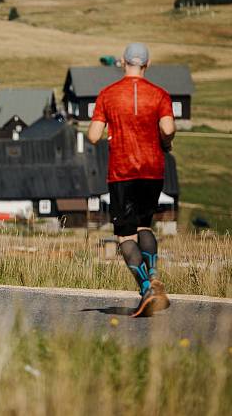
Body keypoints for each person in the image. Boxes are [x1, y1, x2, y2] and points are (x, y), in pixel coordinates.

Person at [88, 43, 175, 317]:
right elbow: (168, 129)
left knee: (126, 236)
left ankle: (147, 288)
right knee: (144, 227)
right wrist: (164, 140)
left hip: (122, 172)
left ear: (123, 62)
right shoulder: (160, 95)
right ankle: (155, 273)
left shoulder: (107, 95)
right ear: (147, 65)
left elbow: (93, 136)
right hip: (152, 169)